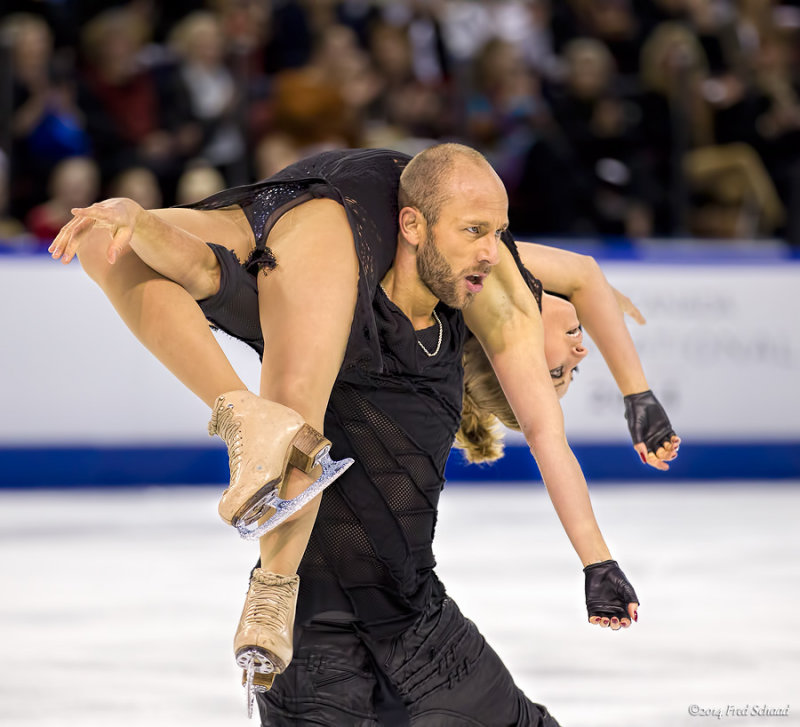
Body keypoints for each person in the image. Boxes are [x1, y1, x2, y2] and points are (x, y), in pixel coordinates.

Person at [49, 144, 675, 725]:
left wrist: (599, 563)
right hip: (323, 644)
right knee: (289, 414)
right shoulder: (468, 269)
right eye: (480, 233)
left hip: (416, 630)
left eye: (559, 365)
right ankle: (251, 469)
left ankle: (249, 452)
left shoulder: (465, 293)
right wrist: (637, 398)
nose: (576, 346)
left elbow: (547, 427)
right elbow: (583, 282)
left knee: (289, 413)